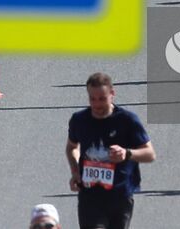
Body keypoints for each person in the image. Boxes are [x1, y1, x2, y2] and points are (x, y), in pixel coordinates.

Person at [66, 71, 155, 224]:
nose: (96, 104)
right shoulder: (79, 120)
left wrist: (127, 153)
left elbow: (149, 154)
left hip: (120, 196)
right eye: (92, 99)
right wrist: (75, 171)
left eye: (102, 99)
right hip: (90, 196)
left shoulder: (127, 120)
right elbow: (72, 147)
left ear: (112, 94)